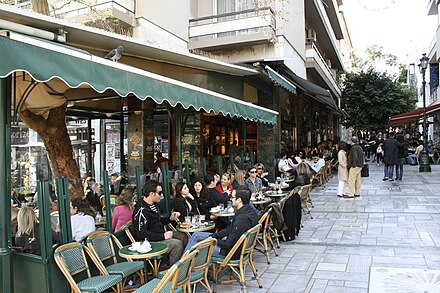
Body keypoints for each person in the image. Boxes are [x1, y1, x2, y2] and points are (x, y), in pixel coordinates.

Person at [183, 188, 258, 259]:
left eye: (232, 197)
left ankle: (182, 266)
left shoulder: (241, 219)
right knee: (196, 235)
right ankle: (184, 262)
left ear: (239, 200)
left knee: (198, 248)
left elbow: (228, 244)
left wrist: (214, 240)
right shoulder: (249, 211)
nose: (231, 199)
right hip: (237, 248)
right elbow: (229, 230)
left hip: (229, 252)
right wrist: (214, 236)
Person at [132, 180, 186, 266]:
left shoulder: (154, 205)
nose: (162, 195)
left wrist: (170, 219)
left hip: (159, 236)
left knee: (183, 236)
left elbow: (158, 221)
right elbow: (141, 234)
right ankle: (172, 272)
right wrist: (163, 236)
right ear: (151, 193)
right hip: (150, 243)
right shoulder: (141, 210)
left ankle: (184, 264)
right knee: (177, 244)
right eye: (160, 193)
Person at [283, 163, 312, 240]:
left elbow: (292, 186)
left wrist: (284, 186)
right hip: (302, 196)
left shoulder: (300, 178)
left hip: (296, 198)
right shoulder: (307, 177)